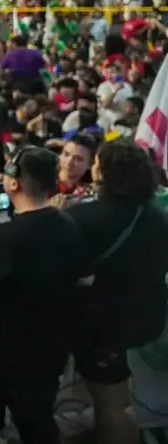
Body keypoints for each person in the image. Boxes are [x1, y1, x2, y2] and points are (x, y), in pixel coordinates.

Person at [0, 148, 85, 444]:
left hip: (16, 346)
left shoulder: (3, 237)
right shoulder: (69, 225)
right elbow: (85, 277)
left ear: (14, 182)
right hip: (55, 340)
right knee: (8, 382)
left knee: (34, 421)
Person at [67, 140, 168, 444]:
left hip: (103, 329)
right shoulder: (158, 217)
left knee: (113, 406)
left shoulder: (82, 218)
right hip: (149, 321)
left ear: (103, 173)